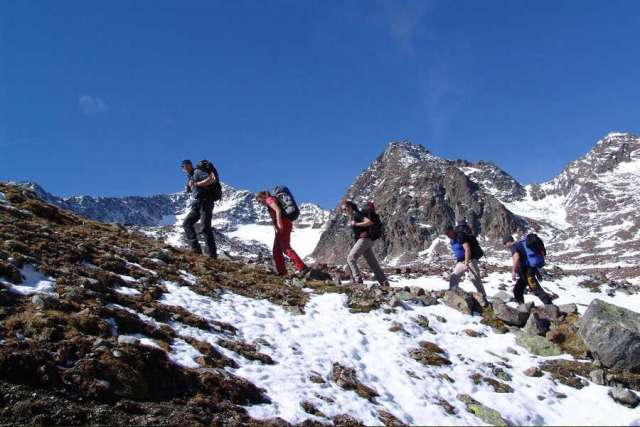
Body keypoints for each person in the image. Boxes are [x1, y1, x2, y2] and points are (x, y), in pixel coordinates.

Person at [255, 190, 308, 277]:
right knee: (276, 250)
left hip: (283, 223)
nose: (260, 203)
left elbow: (278, 210)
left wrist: (279, 224)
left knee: (285, 248)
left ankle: (302, 267)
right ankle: (282, 272)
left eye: (260, 201)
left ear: (263, 196)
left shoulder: (269, 200)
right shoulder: (271, 199)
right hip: (284, 223)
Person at [342, 201, 389, 287]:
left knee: (351, 258)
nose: (344, 211)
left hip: (364, 239)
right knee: (372, 263)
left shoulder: (357, 214)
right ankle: (384, 282)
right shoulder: (354, 215)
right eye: (343, 210)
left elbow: (369, 222)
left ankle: (358, 280)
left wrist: (356, 224)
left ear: (350, 207)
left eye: (345, 209)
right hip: (367, 240)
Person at [181, 160, 218, 258]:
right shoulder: (190, 176)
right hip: (197, 204)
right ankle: (196, 249)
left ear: (190, 165)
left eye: (187, 165)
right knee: (187, 224)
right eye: (184, 167)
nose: (186, 168)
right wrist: (190, 187)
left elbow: (212, 180)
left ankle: (212, 255)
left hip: (205, 202)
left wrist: (196, 184)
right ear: (183, 169)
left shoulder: (197, 172)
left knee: (205, 228)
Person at [502, 235, 553, 304]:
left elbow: (516, 257)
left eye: (505, 244)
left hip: (527, 272)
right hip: (526, 272)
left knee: (535, 288)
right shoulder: (520, 244)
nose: (505, 246)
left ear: (508, 242)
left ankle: (549, 305)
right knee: (517, 290)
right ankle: (522, 307)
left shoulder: (514, 246)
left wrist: (513, 271)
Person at [445, 224, 487, 298]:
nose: (447, 235)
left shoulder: (460, 236)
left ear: (452, 230)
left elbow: (467, 249)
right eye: (446, 234)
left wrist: (466, 263)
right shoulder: (452, 240)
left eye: (448, 233)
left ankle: (483, 297)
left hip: (470, 260)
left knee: (475, 279)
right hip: (460, 261)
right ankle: (453, 295)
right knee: (453, 277)